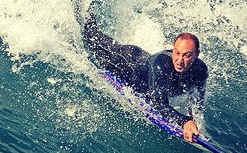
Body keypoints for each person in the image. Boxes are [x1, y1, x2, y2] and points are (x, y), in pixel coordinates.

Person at [83, 12, 208, 143]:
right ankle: (82, 11)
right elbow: (159, 104)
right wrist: (184, 122)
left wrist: (193, 122)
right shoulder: (161, 66)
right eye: (176, 53)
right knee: (91, 36)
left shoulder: (201, 71)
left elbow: (196, 99)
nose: (179, 60)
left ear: (196, 54)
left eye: (186, 55)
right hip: (124, 62)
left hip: (144, 68)